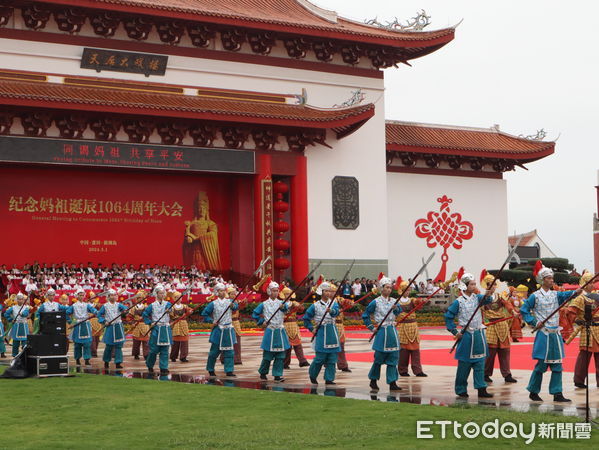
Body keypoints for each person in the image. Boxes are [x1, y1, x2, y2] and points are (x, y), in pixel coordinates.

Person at [520, 264, 579, 402]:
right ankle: (533, 391)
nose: (551, 280)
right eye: (548, 278)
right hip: (543, 334)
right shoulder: (535, 296)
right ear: (542, 280)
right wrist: (534, 322)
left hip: (555, 334)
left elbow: (567, 295)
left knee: (557, 365)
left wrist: (577, 291)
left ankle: (557, 393)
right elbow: (524, 310)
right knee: (541, 365)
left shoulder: (556, 294)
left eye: (552, 278)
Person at [444, 272, 496, 399]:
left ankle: (481, 388)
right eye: (471, 284)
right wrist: (455, 332)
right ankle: (461, 389)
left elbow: (488, 300)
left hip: (478, 334)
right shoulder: (458, 302)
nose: (474, 286)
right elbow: (448, 318)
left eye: (474, 284)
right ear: (465, 286)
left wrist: (489, 292)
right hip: (466, 335)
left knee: (480, 363)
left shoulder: (477, 297)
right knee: (464, 364)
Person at [362, 277, 402, 391]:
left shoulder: (394, 301)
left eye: (390, 288)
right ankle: (373, 380)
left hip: (392, 331)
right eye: (387, 287)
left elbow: (399, 312)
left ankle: (392, 382)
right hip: (381, 331)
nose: (389, 290)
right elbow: (365, 315)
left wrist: (396, 309)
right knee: (378, 359)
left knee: (393, 358)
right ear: (381, 288)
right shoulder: (375, 302)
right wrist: (371, 327)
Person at [480, 274, 517, 384]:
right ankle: (486, 374)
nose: (493, 286)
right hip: (491, 325)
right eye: (490, 285)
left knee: (505, 350)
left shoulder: (499, 296)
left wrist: (513, 311)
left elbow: (507, 305)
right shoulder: (482, 298)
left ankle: (507, 374)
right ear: (486, 286)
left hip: (502, 324)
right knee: (490, 352)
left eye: (494, 284)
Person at [303, 282, 341, 385]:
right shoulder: (315, 306)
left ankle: (329, 379)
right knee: (320, 358)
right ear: (321, 292)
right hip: (321, 331)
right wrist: (311, 329)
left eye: (329, 291)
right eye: (326, 291)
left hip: (332, 331)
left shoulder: (334, 303)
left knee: (332, 358)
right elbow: (306, 319)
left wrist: (331, 311)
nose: (328, 293)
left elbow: (337, 312)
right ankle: (313, 374)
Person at [252, 281, 291, 381]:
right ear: (269, 291)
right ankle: (263, 372)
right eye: (273, 291)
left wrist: (284, 308)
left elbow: (287, 310)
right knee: (267, 356)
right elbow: (255, 314)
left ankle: (277, 375)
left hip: (280, 330)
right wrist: (262, 322)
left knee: (280, 356)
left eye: (277, 291)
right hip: (270, 331)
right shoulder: (264, 304)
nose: (275, 293)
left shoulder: (281, 303)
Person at [566, 272, 599, 389]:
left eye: (593, 282)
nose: (592, 285)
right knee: (584, 356)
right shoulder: (580, 298)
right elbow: (569, 312)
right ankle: (579, 380)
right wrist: (578, 321)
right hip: (587, 328)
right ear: (584, 284)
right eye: (590, 283)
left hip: (598, 327)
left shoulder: (597, 296)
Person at [202, 283, 237, 377]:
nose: (222, 292)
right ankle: (210, 369)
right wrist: (211, 321)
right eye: (220, 291)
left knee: (229, 351)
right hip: (218, 329)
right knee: (214, 351)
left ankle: (229, 370)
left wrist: (232, 305)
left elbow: (236, 307)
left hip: (228, 329)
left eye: (223, 290)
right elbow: (204, 313)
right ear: (217, 292)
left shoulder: (229, 301)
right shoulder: (213, 303)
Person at [396, 280, 427, 377]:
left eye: (409, 290)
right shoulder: (397, 302)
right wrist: (403, 315)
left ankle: (418, 370)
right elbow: (397, 314)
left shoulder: (412, 300)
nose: (408, 292)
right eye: (406, 290)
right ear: (401, 290)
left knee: (416, 349)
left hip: (413, 326)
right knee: (403, 350)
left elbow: (417, 302)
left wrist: (422, 301)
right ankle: (403, 370)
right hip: (403, 327)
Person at [143, 285, 174, 375]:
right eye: (160, 293)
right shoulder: (152, 305)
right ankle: (149, 364)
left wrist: (169, 310)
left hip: (165, 328)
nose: (163, 295)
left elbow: (171, 309)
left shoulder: (167, 304)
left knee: (165, 349)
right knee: (153, 350)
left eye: (163, 293)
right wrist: (149, 322)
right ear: (156, 294)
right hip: (156, 328)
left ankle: (164, 367)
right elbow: (145, 314)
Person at [66, 288, 97, 366]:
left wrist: (96, 312)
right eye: (80, 295)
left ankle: (87, 359)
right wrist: (70, 322)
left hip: (86, 324)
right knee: (77, 344)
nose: (82, 296)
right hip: (77, 325)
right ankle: (77, 359)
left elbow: (93, 310)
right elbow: (66, 313)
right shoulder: (73, 306)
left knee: (87, 344)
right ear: (77, 296)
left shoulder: (87, 305)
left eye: (83, 295)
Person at [97, 289, 127, 370]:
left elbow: (125, 309)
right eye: (112, 295)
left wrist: (125, 311)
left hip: (118, 326)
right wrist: (104, 321)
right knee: (109, 346)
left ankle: (118, 362)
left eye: (115, 295)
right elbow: (99, 315)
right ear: (108, 296)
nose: (114, 296)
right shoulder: (105, 306)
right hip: (110, 326)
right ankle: (106, 361)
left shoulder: (119, 305)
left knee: (119, 346)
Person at [281, 286, 310, 368]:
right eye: (286, 294)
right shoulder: (280, 304)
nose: (288, 295)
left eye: (289, 294)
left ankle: (302, 361)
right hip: (285, 325)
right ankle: (285, 363)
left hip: (293, 324)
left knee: (298, 344)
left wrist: (299, 306)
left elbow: (301, 309)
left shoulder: (294, 303)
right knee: (287, 346)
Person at [3, 293, 30, 357]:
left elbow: (26, 314)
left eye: (21, 299)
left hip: (24, 326)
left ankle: (25, 355)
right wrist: (10, 319)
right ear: (16, 300)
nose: (20, 301)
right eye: (19, 299)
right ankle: (14, 355)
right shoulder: (13, 308)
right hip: (16, 325)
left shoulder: (26, 307)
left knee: (25, 342)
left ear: (23, 300)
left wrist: (22, 314)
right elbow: (6, 314)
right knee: (15, 342)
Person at [170, 292, 192, 363]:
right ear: (174, 298)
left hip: (183, 323)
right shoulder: (172, 307)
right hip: (176, 324)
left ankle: (183, 356)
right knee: (175, 341)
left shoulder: (184, 306)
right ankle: (173, 356)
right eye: (177, 297)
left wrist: (190, 311)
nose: (179, 299)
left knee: (184, 341)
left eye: (180, 297)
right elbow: (171, 315)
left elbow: (189, 311)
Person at [129, 291, 150, 360]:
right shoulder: (133, 308)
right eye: (138, 298)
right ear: (136, 299)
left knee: (146, 341)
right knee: (136, 342)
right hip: (136, 325)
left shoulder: (146, 307)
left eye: (141, 298)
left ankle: (146, 354)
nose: (140, 300)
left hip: (144, 325)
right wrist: (132, 323)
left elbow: (149, 316)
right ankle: (136, 354)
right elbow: (130, 317)